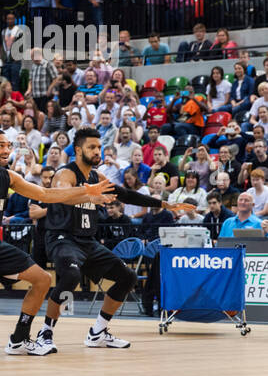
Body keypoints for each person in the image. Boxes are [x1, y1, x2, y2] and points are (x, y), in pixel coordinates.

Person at [0, 130, 116, 357]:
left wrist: (86, 191)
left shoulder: (9, 176)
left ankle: (19, 338)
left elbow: (45, 194)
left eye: (8, 145)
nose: (7, 149)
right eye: (1, 145)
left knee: (43, 279)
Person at [37, 129, 195, 352]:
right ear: (79, 150)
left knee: (127, 277)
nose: (96, 151)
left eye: (99, 147)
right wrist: (90, 195)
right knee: (71, 276)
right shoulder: (66, 174)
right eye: (91, 147)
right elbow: (63, 193)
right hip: (62, 238)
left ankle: (98, 332)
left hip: (87, 241)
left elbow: (126, 194)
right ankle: (46, 332)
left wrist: (164, 204)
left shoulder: (97, 177)